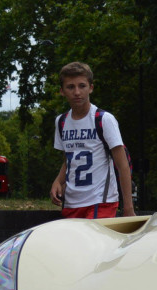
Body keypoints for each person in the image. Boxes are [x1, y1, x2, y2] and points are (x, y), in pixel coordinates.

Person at [50, 62, 137, 218]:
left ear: (91, 87)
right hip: (72, 202)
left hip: (100, 201)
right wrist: (58, 181)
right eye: (70, 87)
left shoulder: (104, 119)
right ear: (62, 91)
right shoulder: (61, 122)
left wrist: (128, 207)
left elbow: (123, 165)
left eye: (82, 86)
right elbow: (70, 158)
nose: (77, 92)